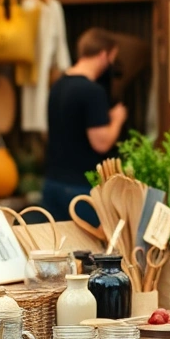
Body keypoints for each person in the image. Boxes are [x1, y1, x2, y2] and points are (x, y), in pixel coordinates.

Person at [41, 28, 126, 223]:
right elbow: (101, 142)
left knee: (60, 249)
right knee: (89, 250)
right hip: (80, 188)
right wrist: (117, 119)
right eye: (113, 57)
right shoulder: (92, 91)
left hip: (52, 183)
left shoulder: (58, 85)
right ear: (104, 54)